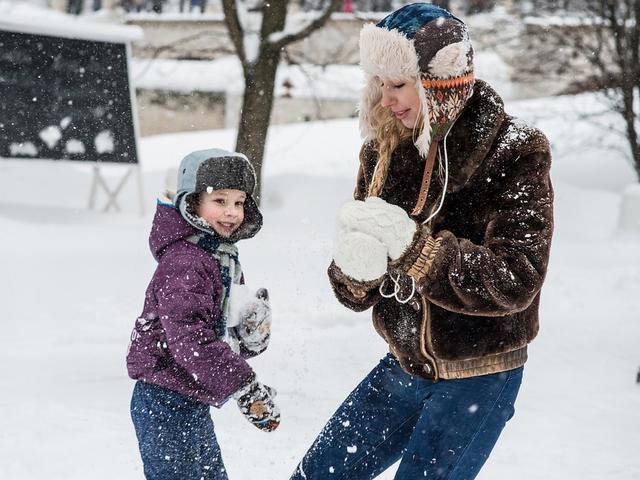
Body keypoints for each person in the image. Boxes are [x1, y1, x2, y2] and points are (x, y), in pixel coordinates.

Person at [291, 3, 553, 479]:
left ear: (439, 81)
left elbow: (517, 278)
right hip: (403, 363)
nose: (385, 100)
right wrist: (354, 270)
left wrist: (419, 252)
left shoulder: (514, 150)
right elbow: (360, 286)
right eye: (379, 85)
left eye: (397, 85)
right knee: (317, 475)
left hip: (479, 376)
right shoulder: (385, 146)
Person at [127, 149, 280, 480]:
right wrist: (244, 385)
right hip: (163, 402)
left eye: (239, 202)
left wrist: (250, 336)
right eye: (220, 201)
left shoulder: (220, 256)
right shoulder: (186, 262)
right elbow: (190, 341)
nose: (231, 212)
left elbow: (216, 333)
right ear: (192, 203)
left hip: (190, 399)